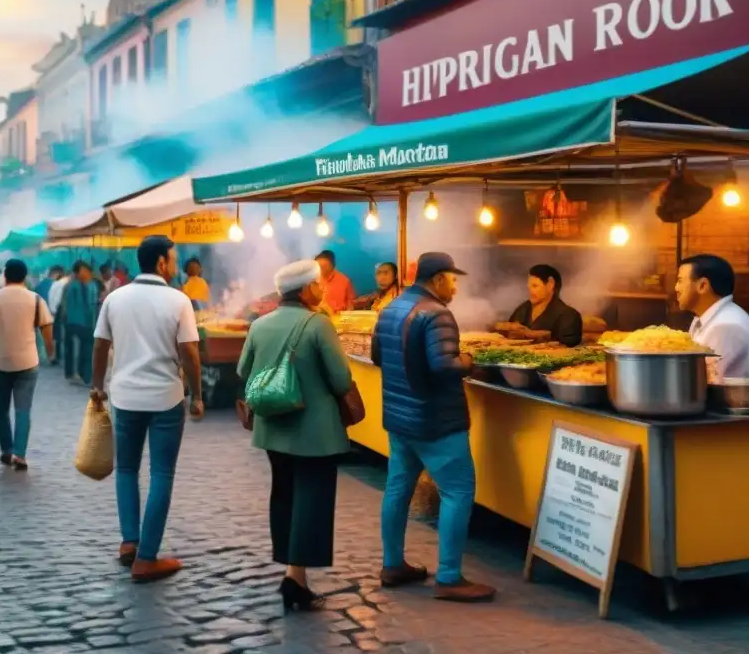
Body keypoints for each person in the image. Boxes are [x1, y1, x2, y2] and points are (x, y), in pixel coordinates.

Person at [372, 252, 495, 603]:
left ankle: (392, 564)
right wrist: (469, 361)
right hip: (436, 422)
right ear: (438, 279)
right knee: (457, 492)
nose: (455, 285)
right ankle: (449, 577)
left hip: (400, 419)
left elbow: (380, 357)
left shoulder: (391, 308)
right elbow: (444, 365)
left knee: (398, 489)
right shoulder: (437, 313)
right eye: (452, 279)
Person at [237, 259, 353, 612]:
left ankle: (294, 573)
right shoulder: (318, 324)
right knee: (311, 499)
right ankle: (294, 579)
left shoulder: (260, 324)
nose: (322, 290)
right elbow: (341, 378)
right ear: (305, 290)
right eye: (318, 285)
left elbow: (244, 370)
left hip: (272, 429)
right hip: (314, 432)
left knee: (285, 495)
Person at [91, 235, 204, 583]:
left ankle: (129, 542)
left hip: (124, 396)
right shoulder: (178, 300)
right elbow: (189, 353)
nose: (175, 264)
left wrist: (97, 386)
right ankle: (148, 557)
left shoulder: (115, 298)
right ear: (160, 263)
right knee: (161, 474)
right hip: (165, 398)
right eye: (173, 259)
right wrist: (197, 395)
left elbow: (100, 345)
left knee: (126, 469)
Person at [0, 259, 55, 470]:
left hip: (0, 362)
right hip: (28, 362)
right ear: (25, 276)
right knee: (23, 410)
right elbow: (47, 330)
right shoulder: (36, 299)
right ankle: (19, 454)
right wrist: (50, 351)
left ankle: (6, 449)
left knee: (1, 409)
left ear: (5, 275)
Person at [676, 254, 749, 378]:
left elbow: (706, 379)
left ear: (703, 286)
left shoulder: (726, 325)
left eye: (680, 281)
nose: (676, 288)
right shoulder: (705, 319)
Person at [507, 264, 583, 347]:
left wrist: (532, 334)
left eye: (535, 286)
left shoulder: (569, 315)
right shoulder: (523, 309)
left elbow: (569, 343)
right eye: (529, 287)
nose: (530, 291)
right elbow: (509, 333)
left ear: (550, 284)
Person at [63, 261, 98, 385]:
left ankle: (84, 375)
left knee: (85, 349)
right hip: (78, 322)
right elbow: (65, 304)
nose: (87, 273)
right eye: (84, 271)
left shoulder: (90, 285)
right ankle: (79, 375)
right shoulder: (73, 286)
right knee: (79, 349)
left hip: (84, 322)